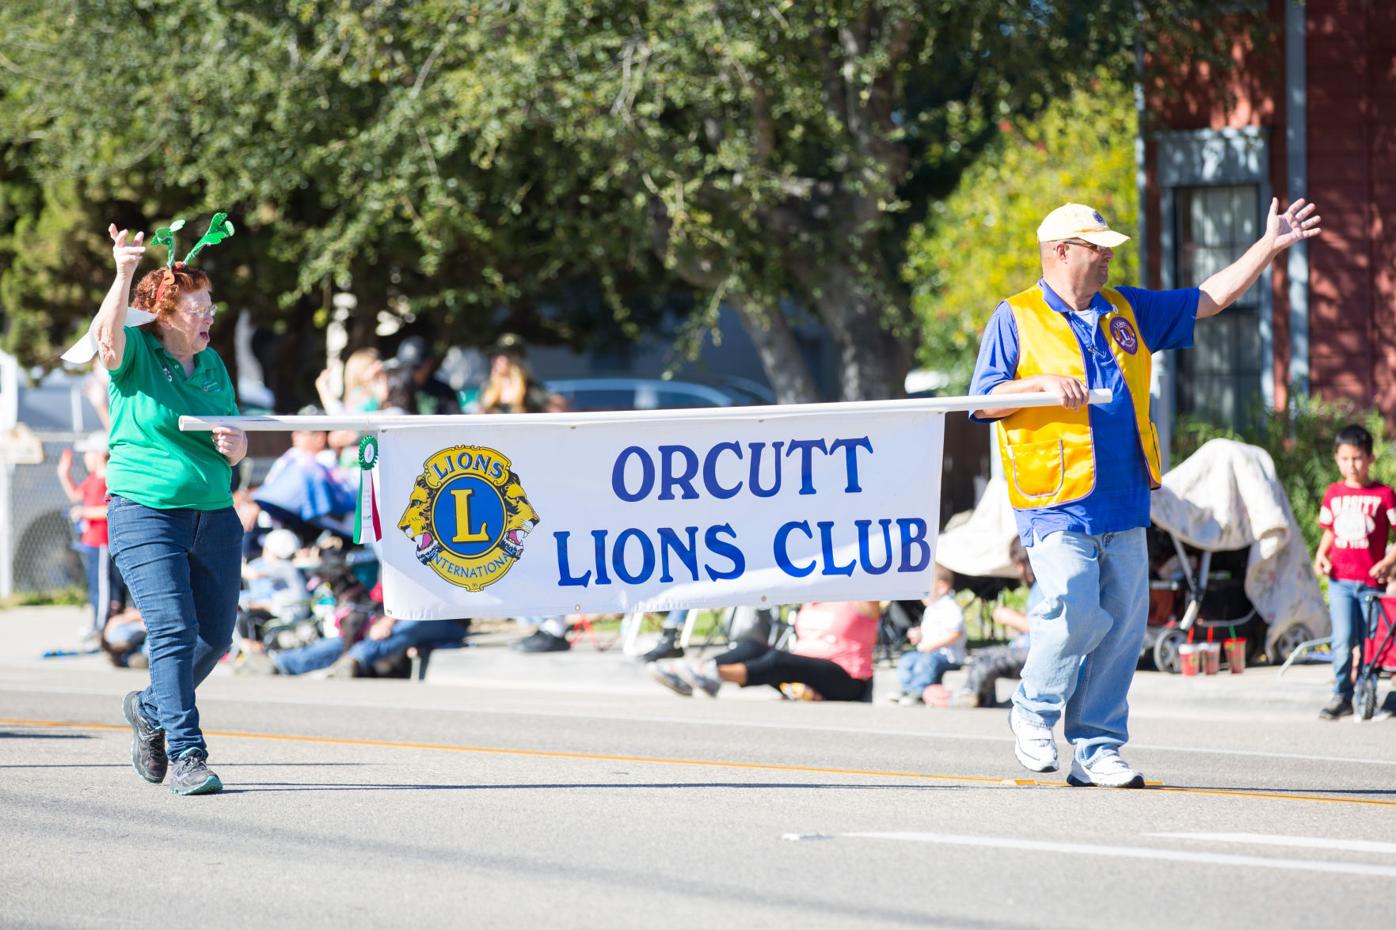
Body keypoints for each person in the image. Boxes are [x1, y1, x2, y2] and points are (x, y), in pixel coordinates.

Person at [969, 198, 1322, 788]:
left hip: (1126, 496)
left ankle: (1097, 747)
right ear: (1061, 252)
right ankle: (1033, 707)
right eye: (1096, 248)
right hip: (1055, 498)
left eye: (1108, 249)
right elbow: (982, 400)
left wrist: (1269, 246)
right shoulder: (1016, 316)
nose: (1108, 258)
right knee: (1076, 608)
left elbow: (1208, 299)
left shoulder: (1124, 308)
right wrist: (1037, 385)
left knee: (1126, 626)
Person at [92, 220, 247, 796]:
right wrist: (125, 269)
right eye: (198, 307)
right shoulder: (136, 356)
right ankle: (187, 754)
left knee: (215, 637)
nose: (209, 315)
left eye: (211, 305)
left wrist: (237, 446)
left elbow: (232, 434)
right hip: (145, 511)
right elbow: (106, 340)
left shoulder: (212, 365)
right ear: (165, 314)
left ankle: (150, 709)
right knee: (172, 632)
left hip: (214, 513)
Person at [1312, 424, 1396, 720]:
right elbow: (1331, 533)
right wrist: (1321, 555)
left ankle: (1367, 691)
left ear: (1370, 458)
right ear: (1336, 458)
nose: (1352, 465)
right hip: (1341, 582)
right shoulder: (1332, 494)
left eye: (1358, 458)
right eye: (1345, 458)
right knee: (1343, 640)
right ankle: (1341, 694)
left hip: (1371, 584)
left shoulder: (1385, 494)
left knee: (1371, 641)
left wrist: (1389, 562)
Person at [650, 601, 879, 702]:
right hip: (803, 672)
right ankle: (696, 670)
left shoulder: (859, 600)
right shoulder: (813, 601)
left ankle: (710, 673)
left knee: (778, 660)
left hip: (846, 677)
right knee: (752, 646)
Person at [56, 432, 125, 648]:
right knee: (95, 585)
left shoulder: (109, 479)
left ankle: (101, 628)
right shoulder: (93, 478)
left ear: (99, 454)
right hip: (92, 542)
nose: (85, 457)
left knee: (104, 587)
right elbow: (77, 495)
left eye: (88, 452)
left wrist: (85, 512)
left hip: (104, 541)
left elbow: (109, 509)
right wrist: (64, 474)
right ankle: (97, 623)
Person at [955, 539, 1039, 708]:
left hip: (1036, 651)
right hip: (1028, 646)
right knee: (983, 655)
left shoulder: (1044, 587)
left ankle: (972, 696)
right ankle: (979, 697)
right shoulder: (1037, 588)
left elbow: (1045, 627)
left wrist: (1010, 617)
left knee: (987, 660)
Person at [893, 566, 965, 705]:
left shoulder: (950, 607)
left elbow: (956, 633)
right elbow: (933, 630)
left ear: (942, 587)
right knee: (907, 660)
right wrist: (920, 634)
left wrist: (932, 645)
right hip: (929, 652)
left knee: (926, 663)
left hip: (948, 656)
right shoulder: (931, 609)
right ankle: (907, 689)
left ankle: (918, 692)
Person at [477, 334, 551, 414]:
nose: (494, 361)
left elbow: (556, 409)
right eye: (494, 356)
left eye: (501, 356)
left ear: (515, 359)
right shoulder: (487, 388)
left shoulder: (532, 390)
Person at [387, 335, 460, 415]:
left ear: (428, 364)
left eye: (414, 368)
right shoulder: (394, 391)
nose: (409, 373)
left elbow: (456, 421)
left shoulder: (444, 393)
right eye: (404, 368)